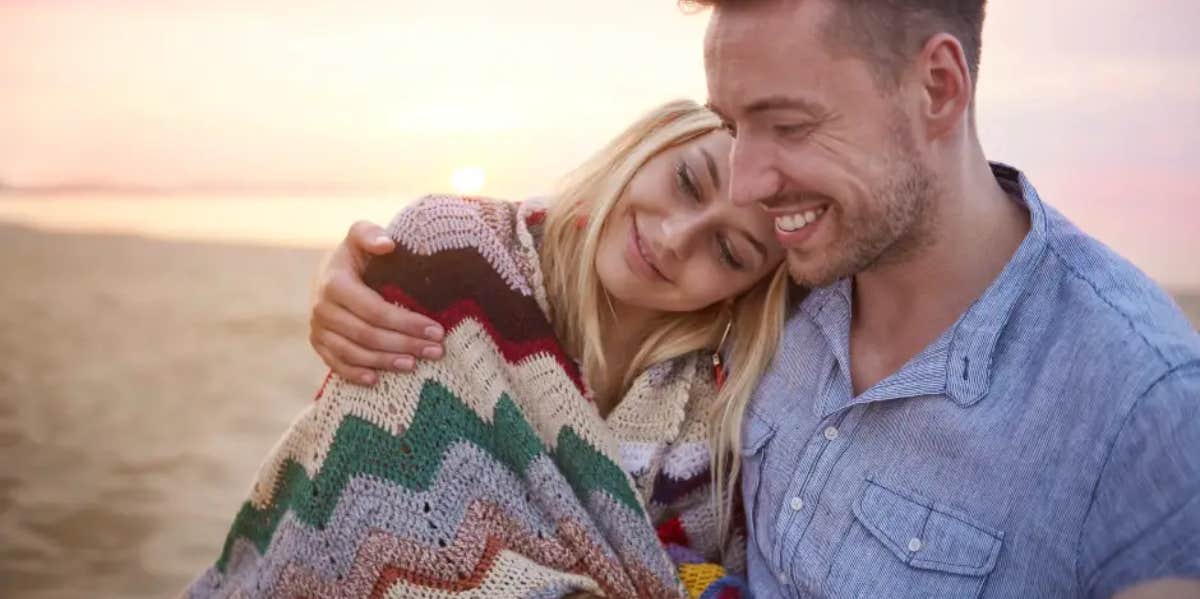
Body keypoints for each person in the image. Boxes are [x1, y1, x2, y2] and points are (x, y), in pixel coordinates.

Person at [311, 1, 1200, 597]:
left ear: (938, 87)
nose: (750, 178)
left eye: (788, 125)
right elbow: (553, 260)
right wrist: (396, 259)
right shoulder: (782, 285)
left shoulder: (1138, 403)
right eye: (732, 126)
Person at [190, 100, 791, 598]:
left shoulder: (719, 401)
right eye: (687, 181)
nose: (672, 238)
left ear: (752, 287)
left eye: (729, 252)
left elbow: (693, 564)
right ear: (653, 140)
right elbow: (384, 510)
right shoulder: (454, 257)